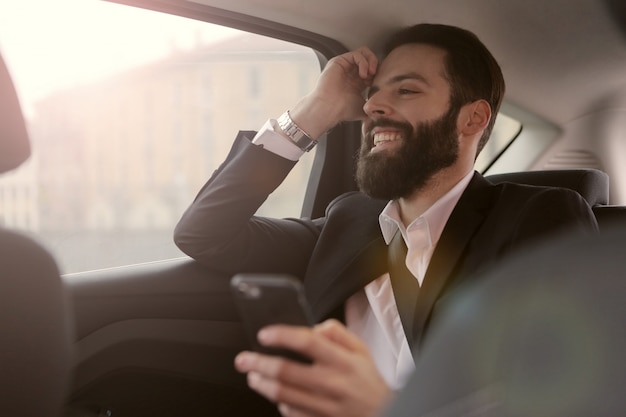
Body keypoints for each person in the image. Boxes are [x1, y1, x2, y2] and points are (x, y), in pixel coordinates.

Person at [174, 23, 598, 417]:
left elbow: (567, 399)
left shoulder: (538, 219)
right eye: (372, 94)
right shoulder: (348, 219)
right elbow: (205, 233)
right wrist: (316, 111)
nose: (373, 105)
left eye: (407, 90)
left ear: (473, 118)